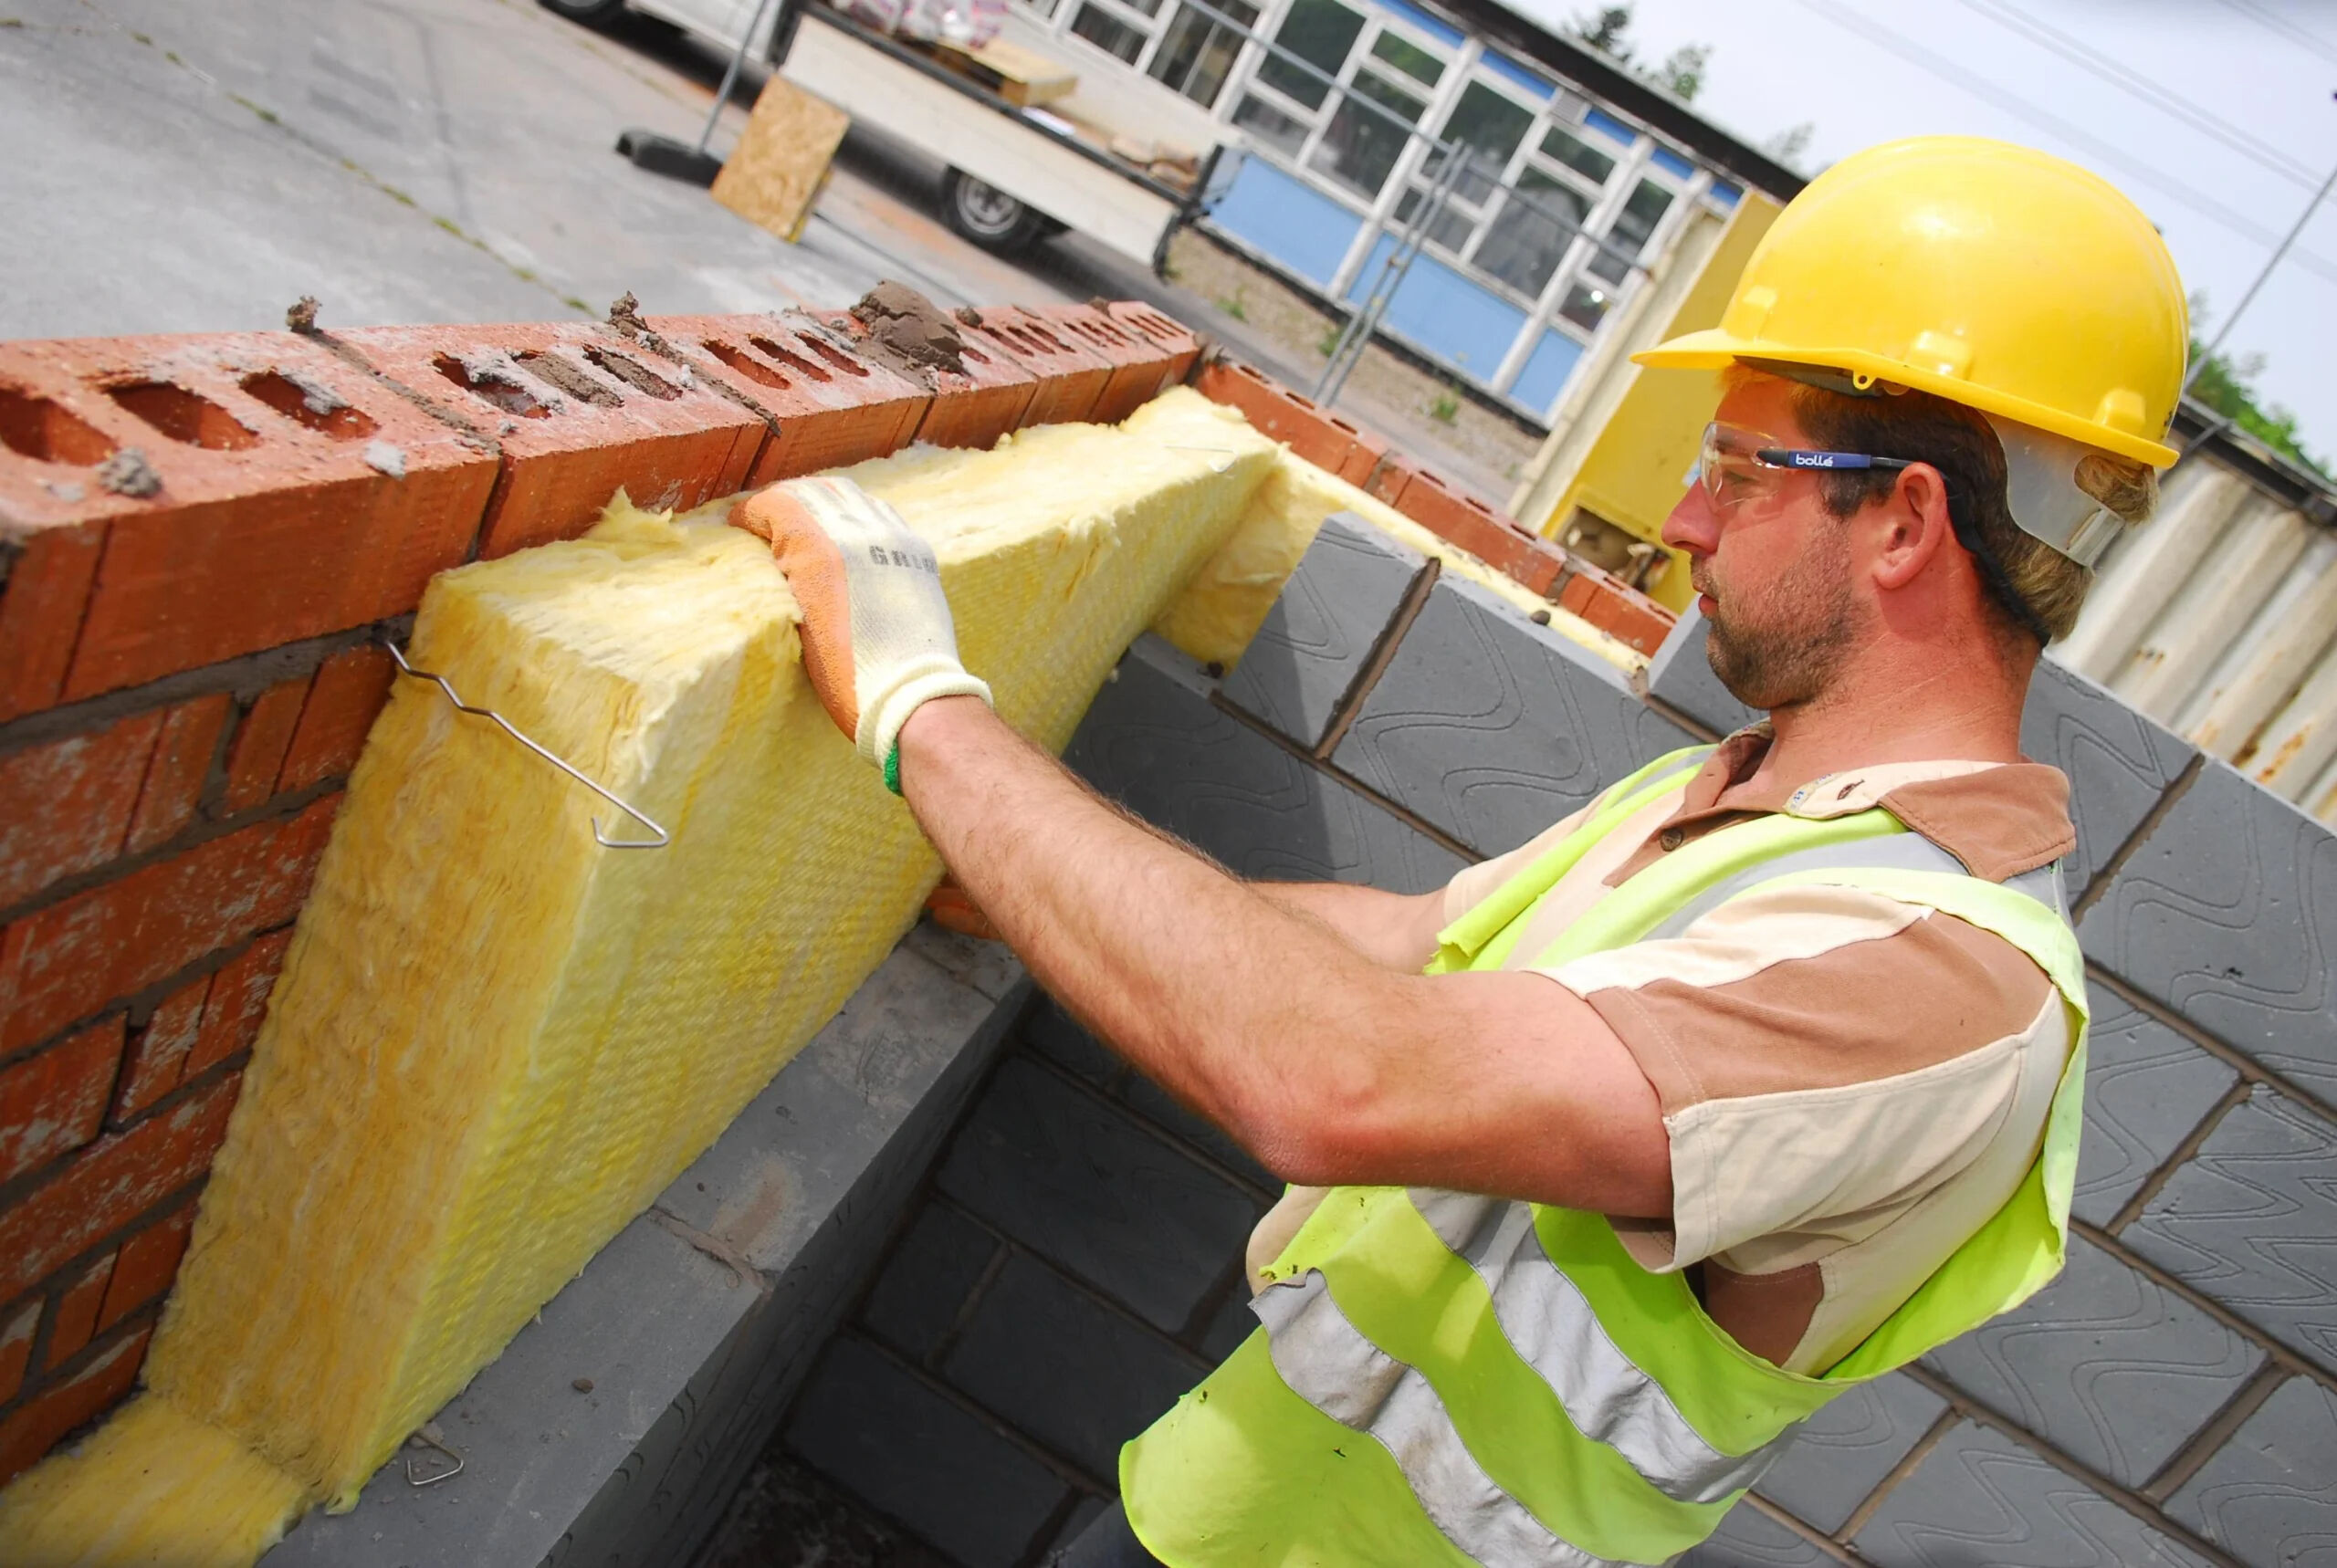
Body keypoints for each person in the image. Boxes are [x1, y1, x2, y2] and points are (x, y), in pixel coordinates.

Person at [733, 135, 2188, 1566]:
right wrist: (1022, 885)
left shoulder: (1942, 983)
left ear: (1906, 522)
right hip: (1243, 1504)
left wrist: (920, 705)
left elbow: (1345, 1074)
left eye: (1737, 473)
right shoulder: (1752, 797)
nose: (1683, 521)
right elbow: (1412, 942)